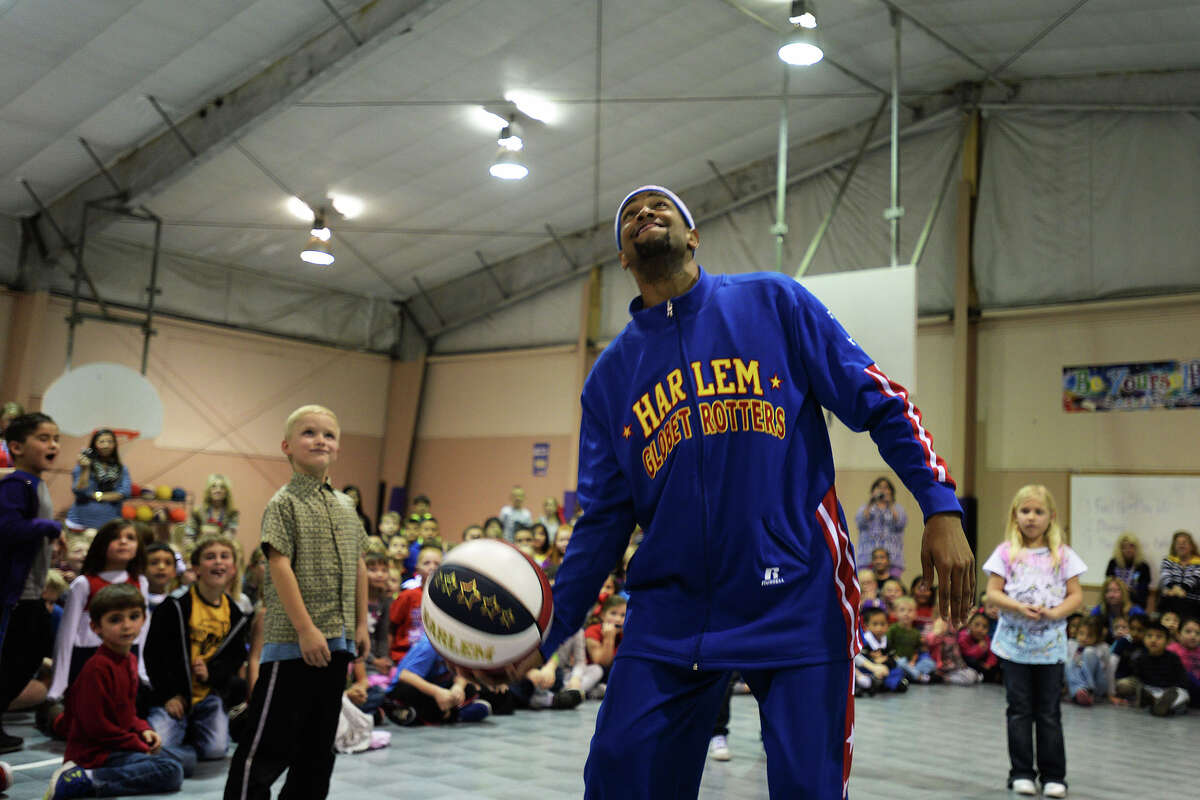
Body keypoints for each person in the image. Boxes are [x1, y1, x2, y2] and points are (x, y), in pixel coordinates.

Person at [461, 185, 974, 800]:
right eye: (630, 216)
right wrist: (541, 632)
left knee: (808, 789)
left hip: (796, 597)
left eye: (661, 208)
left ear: (694, 236)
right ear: (624, 257)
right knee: (620, 776)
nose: (644, 215)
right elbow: (601, 522)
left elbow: (881, 402)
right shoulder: (610, 380)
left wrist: (940, 505)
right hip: (671, 613)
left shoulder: (773, 303)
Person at [223, 405, 369, 800]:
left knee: (318, 749)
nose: (320, 440)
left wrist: (359, 624)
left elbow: (358, 564)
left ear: (337, 448)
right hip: (293, 645)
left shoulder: (346, 506)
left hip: (337, 644)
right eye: (309, 433)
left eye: (329, 435)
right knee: (267, 745)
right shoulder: (283, 503)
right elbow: (279, 565)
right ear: (287, 446)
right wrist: (306, 629)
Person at [983, 484, 1085, 798]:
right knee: (1019, 710)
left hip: (1050, 648)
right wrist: (1017, 606)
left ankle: (1055, 776)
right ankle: (1021, 772)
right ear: (1015, 515)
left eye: (1038, 512)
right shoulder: (1005, 552)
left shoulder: (1063, 555)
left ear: (1051, 517)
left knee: (1049, 712)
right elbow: (993, 592)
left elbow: (1076, 596)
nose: (1031, 518)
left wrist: (1055, 614)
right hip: (1015, 647)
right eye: (1025, 511)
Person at [42, 583, 184, 799]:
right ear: (96, 627)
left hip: (118, 744)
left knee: (185, 761)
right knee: (172, 771)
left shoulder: (130, 660)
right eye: (115, 619)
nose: (127, 625)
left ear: (144, 620)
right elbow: (97, 727)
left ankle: (99, 775)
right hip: (96, 753)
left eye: (134, 616)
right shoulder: (98, 667)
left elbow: (126, 713)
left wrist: (143, 729)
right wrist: (136, 744)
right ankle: (85, 780)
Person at [145, 533, 250, 774]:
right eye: (210, 557)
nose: (218, 562)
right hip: (174, 696)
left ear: (233, 568)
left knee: (215, 752)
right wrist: (169, 695)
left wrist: (210, 674)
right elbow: (153, 655)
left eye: (225, 557)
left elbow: (234, 660)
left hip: (208, 697)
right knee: (156, 745)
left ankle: (189, 735)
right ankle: (180, 737)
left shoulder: (236, 614)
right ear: (196, 567)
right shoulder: (175, 606)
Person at [46, 520, 151, 734]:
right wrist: (59, 683)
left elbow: (144, 629)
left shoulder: (141, 582)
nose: (123, 542)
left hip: (127, 654)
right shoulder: (84, 583)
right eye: (116, 537)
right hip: (86, 657)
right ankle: (55, 718)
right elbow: (66, 634)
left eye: (130, 538)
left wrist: (141, 669)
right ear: (102, 544)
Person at [0, 412, 63, 753]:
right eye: (43, 438)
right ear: (16, 447)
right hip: (14, 594)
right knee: (16, 658)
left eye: (56, 439)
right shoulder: (16, 485)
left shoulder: (35, 485)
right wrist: (50, 528)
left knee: (28, 654)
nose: (53, 445)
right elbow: (6, 529)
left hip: (32, 592)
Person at [1114, 620, 1190, 716]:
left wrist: (1173, 689)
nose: (1153, 640)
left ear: (1167, 641)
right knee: (1125, 684)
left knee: (1182, 695)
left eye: (1159, 637)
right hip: (1149, 690)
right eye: (1149, 636)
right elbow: (1137, 677)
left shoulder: (1173, 658)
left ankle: (1161, 706)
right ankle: (1153, 703)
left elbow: (1182, 680)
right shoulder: (1141, 657)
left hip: (1169, 691)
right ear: (1144, 639)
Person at [65, 429, 131, 533]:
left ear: (115, 445)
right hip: (80, 524)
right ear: (94, 444)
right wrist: (85, 469)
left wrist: (95, 495)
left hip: (110, 525)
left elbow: (125, 493)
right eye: (102, 441)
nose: (106, 445)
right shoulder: (83, 466)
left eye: (110, 442)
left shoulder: (121, 468)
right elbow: (80, 492)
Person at [388, 545, 442, 662]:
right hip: (405, 655)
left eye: (437, 564)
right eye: (426, 563)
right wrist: (388, 657)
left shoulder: (446, 599)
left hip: (435, 657)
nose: (432, 567)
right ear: (417, 568)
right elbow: (390, 628)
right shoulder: (407, 596)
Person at [855, 477, 906, 578]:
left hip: (893, 558)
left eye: (886, 488)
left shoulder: (897, 508)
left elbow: (900, 523)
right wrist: (871, 502)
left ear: (891, 492)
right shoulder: (866, 508)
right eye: (879, 487)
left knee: (891, 587)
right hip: (867, 558)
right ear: (873, 490)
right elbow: (860, 522)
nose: (882, 490)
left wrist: (889, 503)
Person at [853, 607, 908, 695]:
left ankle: (887, 684)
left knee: (898, 669)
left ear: (887, 625)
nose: (879, 628)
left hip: (884, 669)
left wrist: (885, 661)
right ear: (867, 626)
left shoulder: (886, 640)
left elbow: (892, 657)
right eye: (875, 624)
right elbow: (860, 658)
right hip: (867, 668)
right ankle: (871, 684)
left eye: (882, 624)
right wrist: (874, 661)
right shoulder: (864, 641)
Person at [1064, 616, 1109, 706]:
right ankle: (1080, 692)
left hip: (1096, 683)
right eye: (1081, 633)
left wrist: (1111, 693)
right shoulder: (1071, 644)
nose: (1084, 638)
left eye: (1089, 635)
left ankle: (1087, 691)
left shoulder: (1102, 647)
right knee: (1068, 662)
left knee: (1088, 652)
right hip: (1077, 682)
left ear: (1097, 636)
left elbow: (1107, 671)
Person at [1157, 530, 1200, 621]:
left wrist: (1182, 589)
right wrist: (1175, 589)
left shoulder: (1198, 562)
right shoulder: (1168, 561)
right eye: (1178, 543)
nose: (1181, 545)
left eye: (1184, 543)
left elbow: (1195, 578)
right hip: (1170, 601)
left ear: (1191, 546)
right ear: (1174, 546)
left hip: (1192, 604)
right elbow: (1166, 577)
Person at [1090, 575, 1143, 642]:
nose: (1111, 595)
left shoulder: (1136, 611)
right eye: (1108, 591)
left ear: (1123, 593)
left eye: (1115, 591)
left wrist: (1128, 635)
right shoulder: (1098, 610)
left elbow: (1142, 635)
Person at [1105, 533, 1151, 609]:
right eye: (1124, 547)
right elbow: (1108, 583)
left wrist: (1129, 590)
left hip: (1135, 602)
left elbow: (1143, 591)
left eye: (1131, 546)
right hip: (1114, 601)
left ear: (1136, 548)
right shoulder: (1113, 563)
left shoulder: (1143, 566)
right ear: (1120, 549)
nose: (1128, 550)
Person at [188, 474, 239, 540]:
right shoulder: (197, 511)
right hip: (199, 548)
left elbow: (229, 537)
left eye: (222, 487)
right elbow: (188, 537)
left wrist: (208, 531)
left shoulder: (232, 513)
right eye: (214, 487)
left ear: (227, 492)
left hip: (222, 548)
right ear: (208, 491)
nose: (218, 490)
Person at [143, 542, 177, 613]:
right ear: (142, 569)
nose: (161, 567)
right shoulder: (135, 601)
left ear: (174, 572)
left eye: (168, 563)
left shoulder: (176, 603)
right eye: (154, 563)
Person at [0, 401, 25, 469]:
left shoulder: (26, 443)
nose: (13, 423)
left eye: (17, 420)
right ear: (1, 420)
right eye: (10, 419)